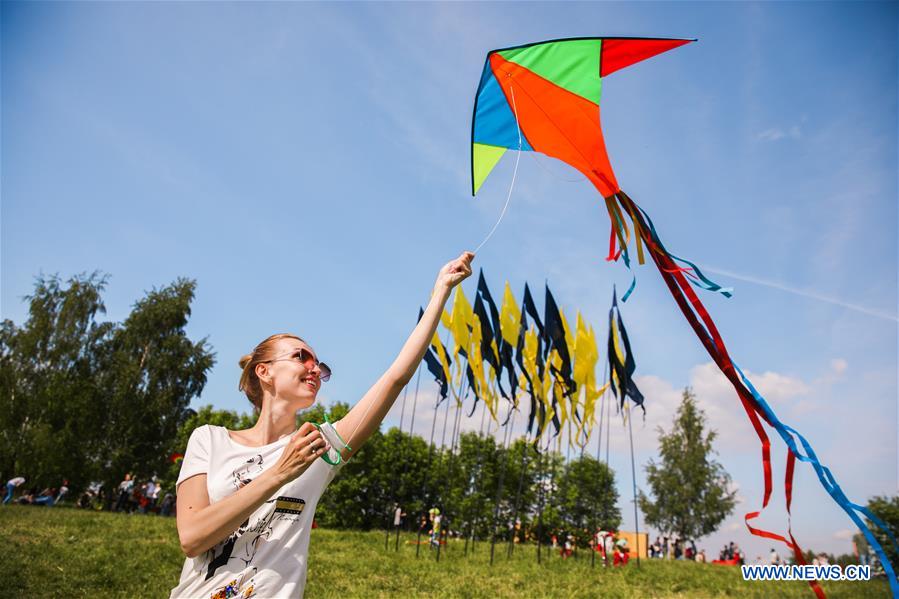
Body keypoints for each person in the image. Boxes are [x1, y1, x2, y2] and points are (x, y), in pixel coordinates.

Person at [171, 252, 474, 599]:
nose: (315, 369)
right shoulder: (209, 440)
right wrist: (279, 473)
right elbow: (192, 538)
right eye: (302, 357)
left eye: (320, 366)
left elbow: (396, 378)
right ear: (264, 371)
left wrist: (441, 292)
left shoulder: (320, 447)